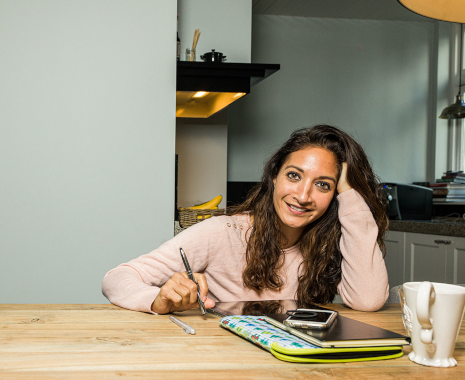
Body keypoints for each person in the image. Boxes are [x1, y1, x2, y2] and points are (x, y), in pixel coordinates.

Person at [102, 124, 389, 314]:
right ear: (274, 176)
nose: (303, 196)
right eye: (293, 176)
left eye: (323, 185)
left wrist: (351, 194)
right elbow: (116, 279)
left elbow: (368, 300)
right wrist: (159, 300)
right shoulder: (222, 232)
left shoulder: (337, 242)